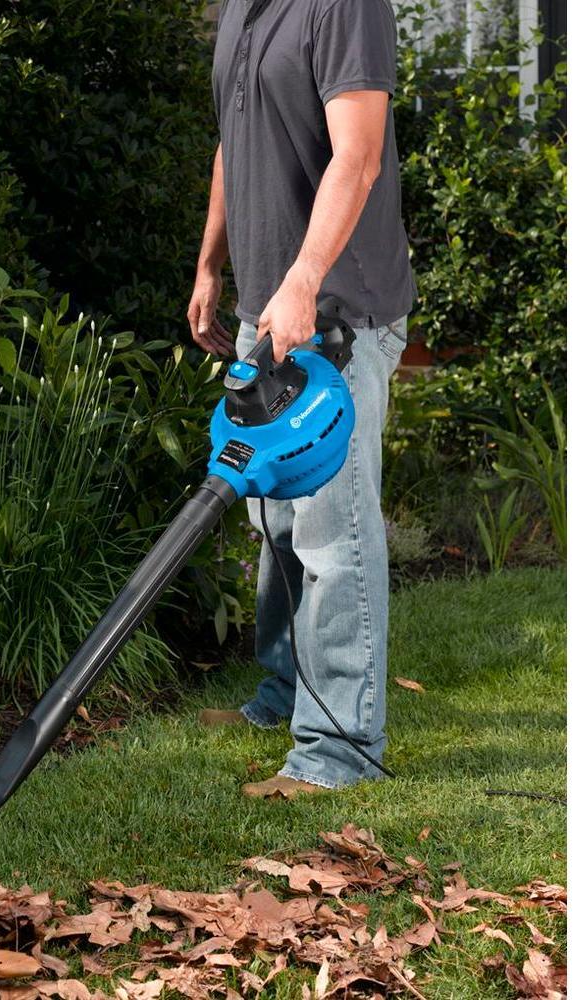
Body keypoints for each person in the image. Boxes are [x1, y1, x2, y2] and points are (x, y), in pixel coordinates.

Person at [187, 0, 417, 798]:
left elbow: (358, 156)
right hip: (270, 310)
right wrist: (212, 263)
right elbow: (235, 142)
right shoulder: (240, 10)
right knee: (277, 519)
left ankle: (338, 748)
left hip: (337, 313)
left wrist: (304, 280)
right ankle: (285, 694)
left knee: (331, 534)